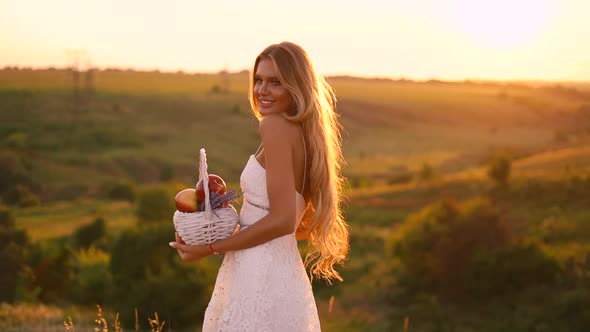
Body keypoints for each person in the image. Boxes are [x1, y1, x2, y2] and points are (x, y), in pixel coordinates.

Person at [169, 41, 349, 331]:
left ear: (296, 87)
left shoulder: (275, 126)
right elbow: (287, 221)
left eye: (275, 82)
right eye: (259, 80)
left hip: (259, 273)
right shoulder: (303, 135)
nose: (262, 90)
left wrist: (211, 247)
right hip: (281, 270)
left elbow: (282, 221)